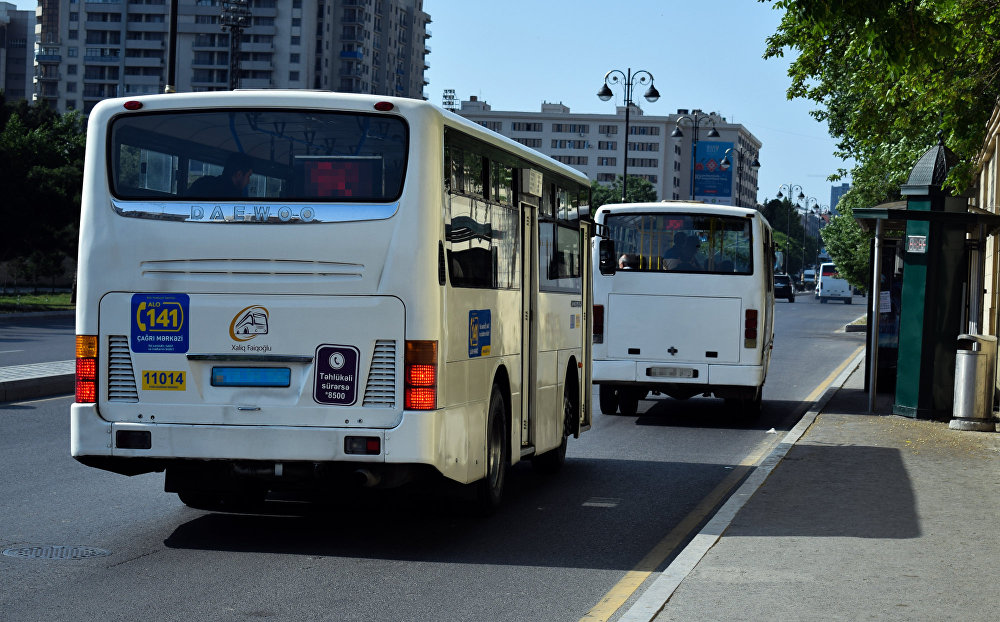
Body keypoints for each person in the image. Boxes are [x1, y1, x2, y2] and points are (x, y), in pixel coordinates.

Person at [187, 152, 253, 198]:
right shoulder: (235, 198)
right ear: (239, 174)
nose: (248, 181)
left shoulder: (203, 182)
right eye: (248, 176)